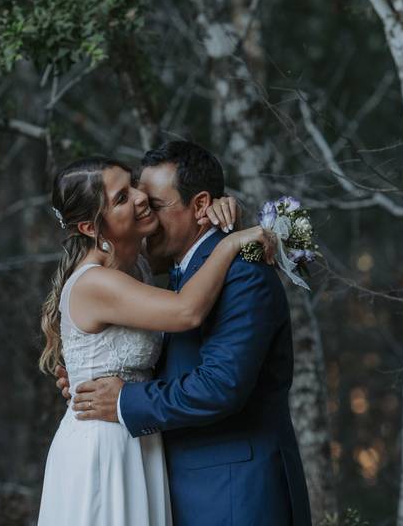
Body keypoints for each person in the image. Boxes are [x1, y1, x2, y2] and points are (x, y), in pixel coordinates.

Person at [65, 141, 314, 526]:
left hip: (234, 495)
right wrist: (86, 376)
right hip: (177, 487)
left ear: (200, 206)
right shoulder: (172, 273)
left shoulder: (243, 270)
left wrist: (124, 399)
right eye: (133, 199)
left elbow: (220, 385)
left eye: (154, 204)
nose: (143, 211)